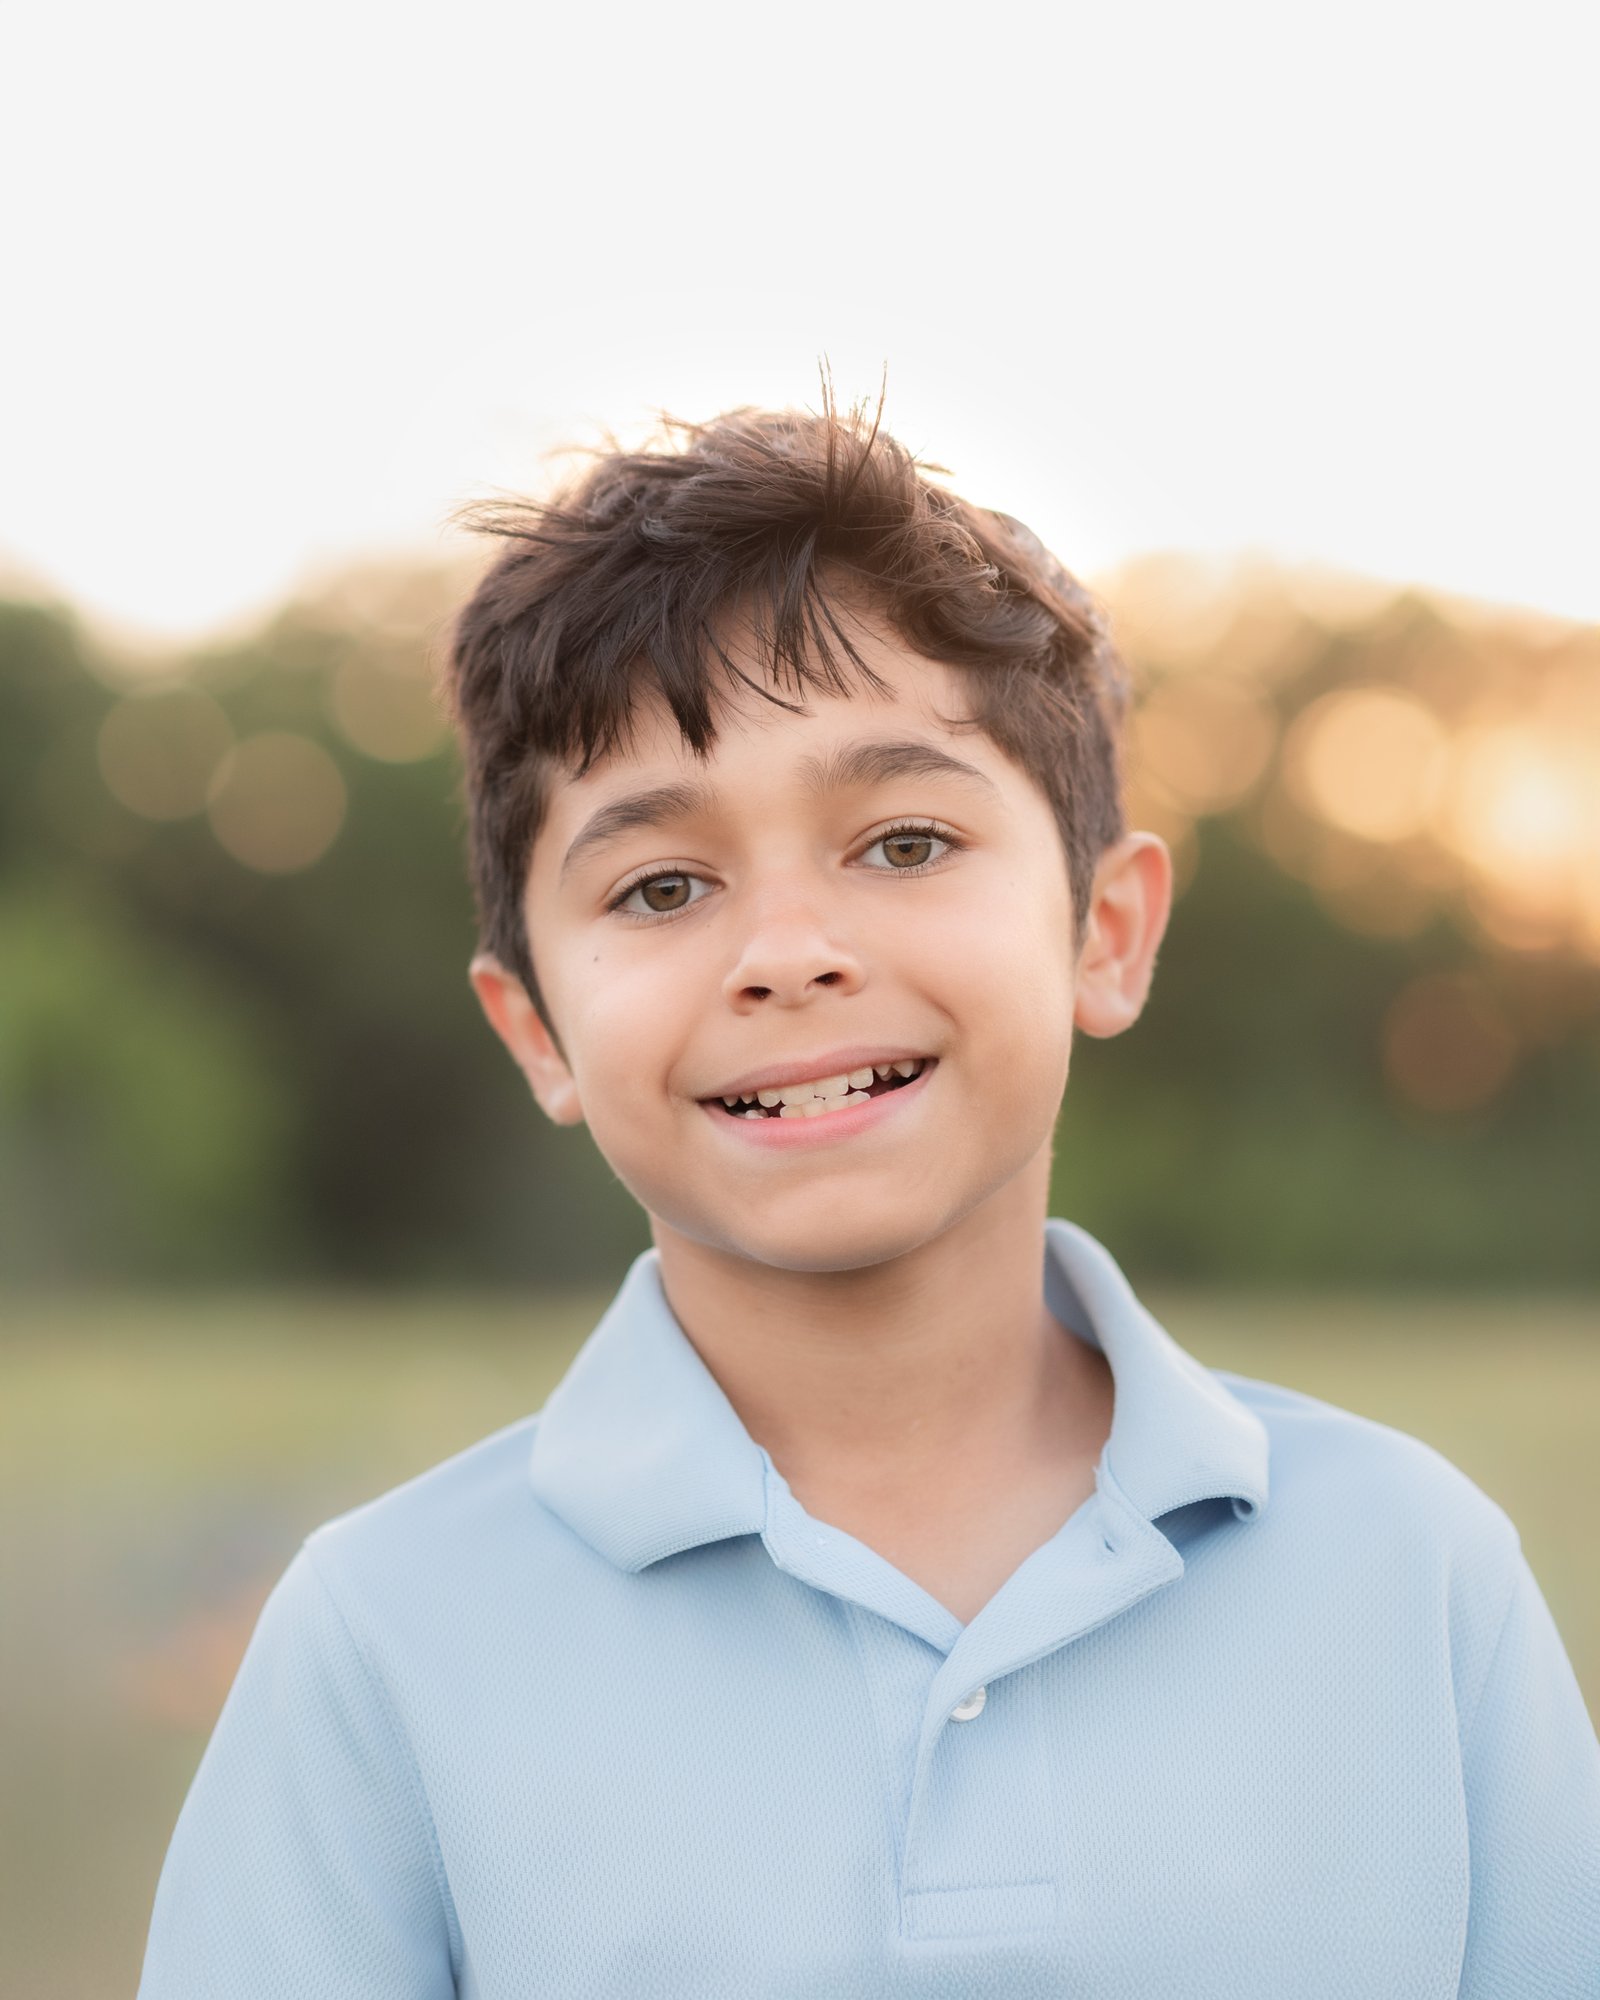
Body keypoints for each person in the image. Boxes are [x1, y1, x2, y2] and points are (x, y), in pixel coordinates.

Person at [137, 393, 1600, 1996]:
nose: (789, 952)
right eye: (663, 885)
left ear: (1104, 932)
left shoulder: (1412, 1575)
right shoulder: (385, 1639)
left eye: (903, 841)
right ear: (538, 1030)